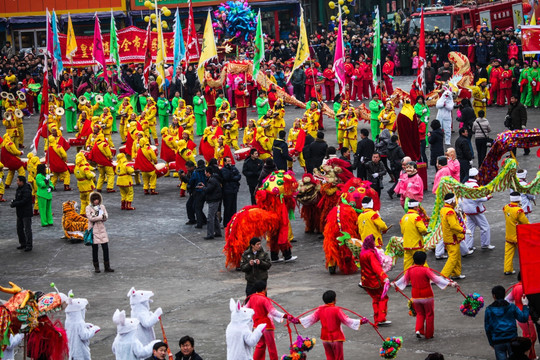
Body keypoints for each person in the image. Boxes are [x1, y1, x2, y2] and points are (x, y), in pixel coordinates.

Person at [392, 251, 456, 339]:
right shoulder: (426, 270)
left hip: (415, 296)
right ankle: (429, 334)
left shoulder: (410, 270)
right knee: (429, 314)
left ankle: (418, 329)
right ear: (424, 260)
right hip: (427, 295)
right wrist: (450, 284)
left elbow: (403, 280)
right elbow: (436, 279)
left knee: (420, 313)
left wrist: (395, 284)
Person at [299, 290, 361, 360]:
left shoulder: (320, 309)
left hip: (325, 339)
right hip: (336, 338)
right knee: (339, 358)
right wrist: (361, 321)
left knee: (329, 357)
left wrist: (298, 321)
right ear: (334, 300)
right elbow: (346, 320)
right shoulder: (337, 310)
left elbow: (311, 318)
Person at [485, 285, 529, 360]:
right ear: (504, 294)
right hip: (512, 339)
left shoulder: (489, 310)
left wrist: (491, 342)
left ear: (494, 296)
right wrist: (525, 305)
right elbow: (523, 318)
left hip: (497, 340)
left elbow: (487, 328)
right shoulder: (511, 307)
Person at [359, 235, 391, 326]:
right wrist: (384, 277)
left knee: (375, 299)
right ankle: (381, 318)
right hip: (374, 281)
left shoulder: (362, 253)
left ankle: (377, 319)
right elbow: (376, 267)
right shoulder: (371, 254)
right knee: (383, 298)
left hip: (366, 281)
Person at [506, 274, 538, 360]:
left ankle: (531, 355)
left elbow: (507, 300)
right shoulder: (525, 288)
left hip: (519, 315)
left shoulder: (516, 287)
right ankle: (529, 356)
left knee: (527, 335)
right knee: (532, 337)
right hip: (527, 316)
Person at [462, 168, 494, 251]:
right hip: (475, 210)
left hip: (467, 209)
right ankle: (485, 244)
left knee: (470, 228)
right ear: (476, 176)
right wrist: (487, 197)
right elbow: (477, 198)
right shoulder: (474, 186)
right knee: (485, 227)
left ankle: (468, 246)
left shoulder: (465, 184)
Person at [86, 192, 114, 273]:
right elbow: (90, 218)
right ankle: (96, 267)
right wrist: (101, 217)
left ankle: (107, 266)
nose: (96, 201)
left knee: (105, 248)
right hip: (93, 229)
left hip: (101, 229)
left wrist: (102, 217)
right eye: (94, 199)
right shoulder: (88, 207)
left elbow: (106, 217)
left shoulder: (102, 206)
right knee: (95, 249)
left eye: (97, 199)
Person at [440, 193, 466, 280]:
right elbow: (453, 225)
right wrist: (463, 230)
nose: (456, 202)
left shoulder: (444, 209)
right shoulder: (450, 212)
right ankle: (443, 275)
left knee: (457, 256)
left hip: (449, 236)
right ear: (452, 201)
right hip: (452, 237)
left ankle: (456, 273)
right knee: (453, 258)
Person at [503, 192, 529, 275]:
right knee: (524, 253)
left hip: (508, 235)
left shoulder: (505, 207)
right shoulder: (519, 210)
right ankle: (527, 268)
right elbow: (525, 222)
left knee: (508, 254)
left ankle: (508, 269)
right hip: (518, 236)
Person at [400, 199, 428, 270]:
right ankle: (428, 278)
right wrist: (425, 232)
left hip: (406, 244)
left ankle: (406, 279)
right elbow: (423, 229)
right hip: (416, 244)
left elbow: (402, 231)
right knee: (422, 262)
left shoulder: (403, 218)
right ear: (415, 207)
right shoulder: (416, 217)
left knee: (407, 264)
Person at [10, 176, 33, 252]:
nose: (16, 182)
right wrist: (15, 202)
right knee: (19, 229)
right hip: (20, 212)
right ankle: (23, 243)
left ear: (21, 181)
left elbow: (24, 201)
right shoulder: (20, 189)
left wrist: (15, 203)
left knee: (27, 229)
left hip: (26, 212)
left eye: (17, 181)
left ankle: (29, 244)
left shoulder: (26, 190)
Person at [202, 167, 222, 240]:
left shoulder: (211, 180)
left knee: (210, 218)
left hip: (213, 200)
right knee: (215, 216)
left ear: (208, 172)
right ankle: (218, 232)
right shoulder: (214, 179)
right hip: (216, 199)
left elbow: (208, 190)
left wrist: (203, 188)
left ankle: (210, 234)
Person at [221, 157, 241, 228]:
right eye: (228, 161)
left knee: (233, 207)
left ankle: (233, 221)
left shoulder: (233, 168)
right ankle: (226, 223)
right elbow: (227, 177)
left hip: (234, 189)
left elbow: (239, 176)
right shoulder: (224, 170)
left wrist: (233, 177)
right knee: (228, 207)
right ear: (225, 162)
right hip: (227, 191)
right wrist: (233, 176)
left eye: (230, 161)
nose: (230, 162)